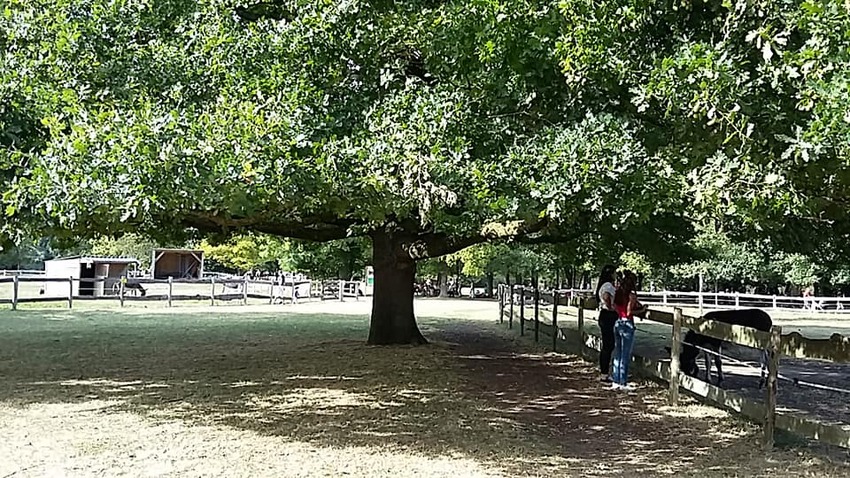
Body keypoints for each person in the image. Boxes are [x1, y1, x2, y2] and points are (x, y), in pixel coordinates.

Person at [610, 270, 643, 391]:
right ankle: (623, 382)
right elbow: (629, 312)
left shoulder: (618, 293)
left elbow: (614, 306)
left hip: (618, 322)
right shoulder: (631, 296)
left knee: (618, 353)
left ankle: (616, 380)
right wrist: (641, 310)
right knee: (625, 354)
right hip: (627, 324)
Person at [595, 265, 618, 382]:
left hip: (605, 315)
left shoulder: (604, 285)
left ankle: (605, 371)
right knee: (608, 345)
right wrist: (611, 307)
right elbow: (606, 297)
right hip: (608, 315)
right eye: (614, 272)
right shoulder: (608, 286)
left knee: (608, 344)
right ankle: (604, 373)